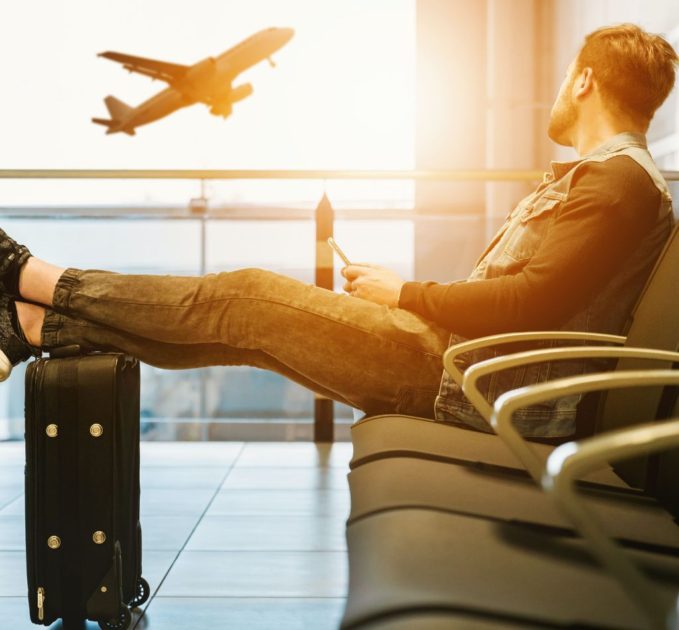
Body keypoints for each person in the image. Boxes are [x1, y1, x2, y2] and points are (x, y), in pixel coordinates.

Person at [0, 24, 677, 438]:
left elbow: (529, 304)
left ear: (584, 79)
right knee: (245, 334)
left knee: (241, 297)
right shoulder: (613, 179)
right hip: (463, 367)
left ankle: (26, 274)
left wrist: (403, 293)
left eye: (565, 78)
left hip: (462, 378)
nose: (560, 90)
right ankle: (32, 327)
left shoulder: (614, 182)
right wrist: (404, 298)